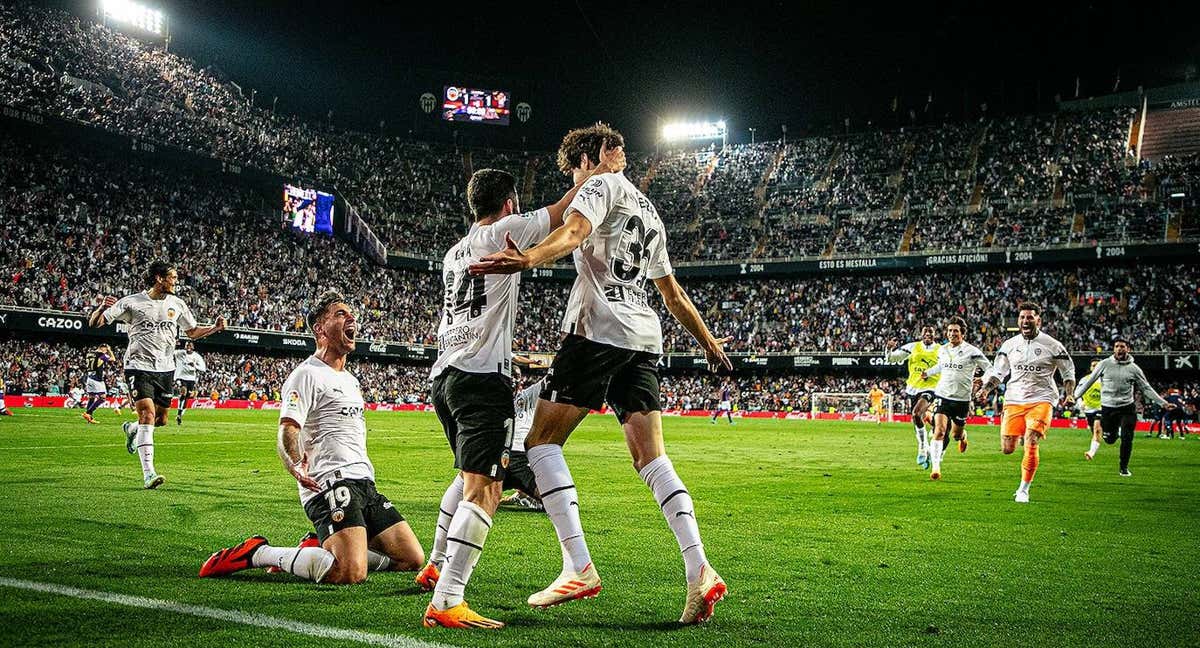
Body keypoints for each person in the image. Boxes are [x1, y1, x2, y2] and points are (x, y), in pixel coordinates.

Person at [471, 122, 732, 624]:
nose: (574, 178)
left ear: (591, 158)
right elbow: (672, 294)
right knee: (651, 458)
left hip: (597, 330)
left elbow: (572, 233)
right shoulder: (650, 211)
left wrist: (527, 258)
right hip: (642, 339)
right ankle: (699, 569)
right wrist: (708, 342)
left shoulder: (601, 184)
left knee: (540, 442)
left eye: (574, 167)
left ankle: (578, 564)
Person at [422, 146, 626, 630]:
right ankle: (448, 598)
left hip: (445, 376)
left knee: (471, 478)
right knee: (486, 489)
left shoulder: (454, 253)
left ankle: (435, 567)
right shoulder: (504, 231)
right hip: (479, 380)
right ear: (510, 202)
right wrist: (600, 172)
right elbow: (565, 209)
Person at [199, 292, 424, 583]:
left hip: (364, 483)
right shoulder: (306, 374)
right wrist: (295, 465)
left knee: (411, 558)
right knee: (349, 572)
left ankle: (318, 546)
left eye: (351, 313)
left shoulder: (351, 381)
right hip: (329, 482)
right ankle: (258, 553)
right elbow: (288, 428)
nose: (352, 318)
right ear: (320, 328)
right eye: (341, 314)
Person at [87, 260, 225, 489]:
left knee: (160, 420)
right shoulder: (132, 302)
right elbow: (96, 323)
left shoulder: (177, 304)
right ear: (159, 278)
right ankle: (148, 473)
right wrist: (101, 308)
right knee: (148, 415)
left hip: (166, 369)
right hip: (138, 366)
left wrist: (214, 328)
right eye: (172, 277)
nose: (176, 282)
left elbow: (192, 332)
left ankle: (131, 429)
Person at [976, 302, 1075, 503]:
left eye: (1030, 317)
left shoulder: (1053, 345)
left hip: (1042, 398)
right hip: (1014, 399)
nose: (1025, 321)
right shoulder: (1010, 345)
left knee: (1031, 441)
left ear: (1038, 320)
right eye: (1022, 317)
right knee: (1008, 448)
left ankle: (1023, 489)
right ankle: (1021, 433)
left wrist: (1070, 394)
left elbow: (1068, 373)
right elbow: (998, 373)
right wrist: (985, 389)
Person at [1073, 339, 1173, 476]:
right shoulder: (1104, 364)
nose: (1119, 349)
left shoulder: (1134, 369)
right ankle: (1113, 434)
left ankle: (1123, 467)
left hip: (1127, 408)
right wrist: (1076, 396)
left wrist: (1163, 403)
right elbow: (1089, 381)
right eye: (1116, 346)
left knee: (1127, 437)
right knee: (1109, 439)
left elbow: (1146, 388)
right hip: (1108, 408)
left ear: (1128, 349)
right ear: (1113, 349)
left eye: (1122, 346)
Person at [921, 317, 991, 480]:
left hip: (962, 400)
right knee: (939, 431)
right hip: (942, 395)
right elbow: (941, 366)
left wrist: (983, 380)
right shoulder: (942, 349)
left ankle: (963, 436)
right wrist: (928, 373)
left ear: (962, 333)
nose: (952, 333)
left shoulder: (972, 352)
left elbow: (990, 368)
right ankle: (936, 467)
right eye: (950, 330)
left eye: (956, 331)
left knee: (956, 435)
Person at [886, 326, 942, 468]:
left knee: (916, 414)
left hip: (931, 388)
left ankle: (923, 447)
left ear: (935, 335)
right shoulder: (912, 347)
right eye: (925, 332)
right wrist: (889, 349)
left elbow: (947, 366)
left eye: (931, 332)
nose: (928, 334)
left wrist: (930, 372)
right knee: (917, 419)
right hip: (913, 388)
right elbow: (891, 359)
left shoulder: (941, 350)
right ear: (921, 334)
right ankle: (927, 448)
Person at [173, 341, 207, 425]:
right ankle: (179, 414)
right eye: (186, 345)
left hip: (191, 379)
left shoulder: (196, 356)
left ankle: (180, 414)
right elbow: (170, 351)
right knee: (183, 393)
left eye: (189, 345)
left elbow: (203, 369)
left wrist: (194, 366)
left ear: (193, 347)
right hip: (181, 377)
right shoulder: (180, 353)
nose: (188, 346)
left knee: (187, 397)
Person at [81, 344, 115, 424]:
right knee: (102, 398)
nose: (106, 351)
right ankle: (88, 412)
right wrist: (109, 350)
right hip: (97, 379)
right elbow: (113, 359)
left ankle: (90, 418)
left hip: (89, 378)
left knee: (91, 397)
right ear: (103, 349)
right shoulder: (101, 355)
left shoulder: (90, 354)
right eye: (106, 350)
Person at [1078, 360, 1104, 460]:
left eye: (1097, 365)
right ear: (1090, 368)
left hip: (1101, 408)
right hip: (1088, 409)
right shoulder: (1085, 380)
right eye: (1093, 365)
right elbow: (1077, 393)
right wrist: (1080, 403)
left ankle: (1091, 453)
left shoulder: (1106, 380)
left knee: (1097, 430)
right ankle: (1105, 434)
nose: (1095, 367)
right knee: (1094, 431)